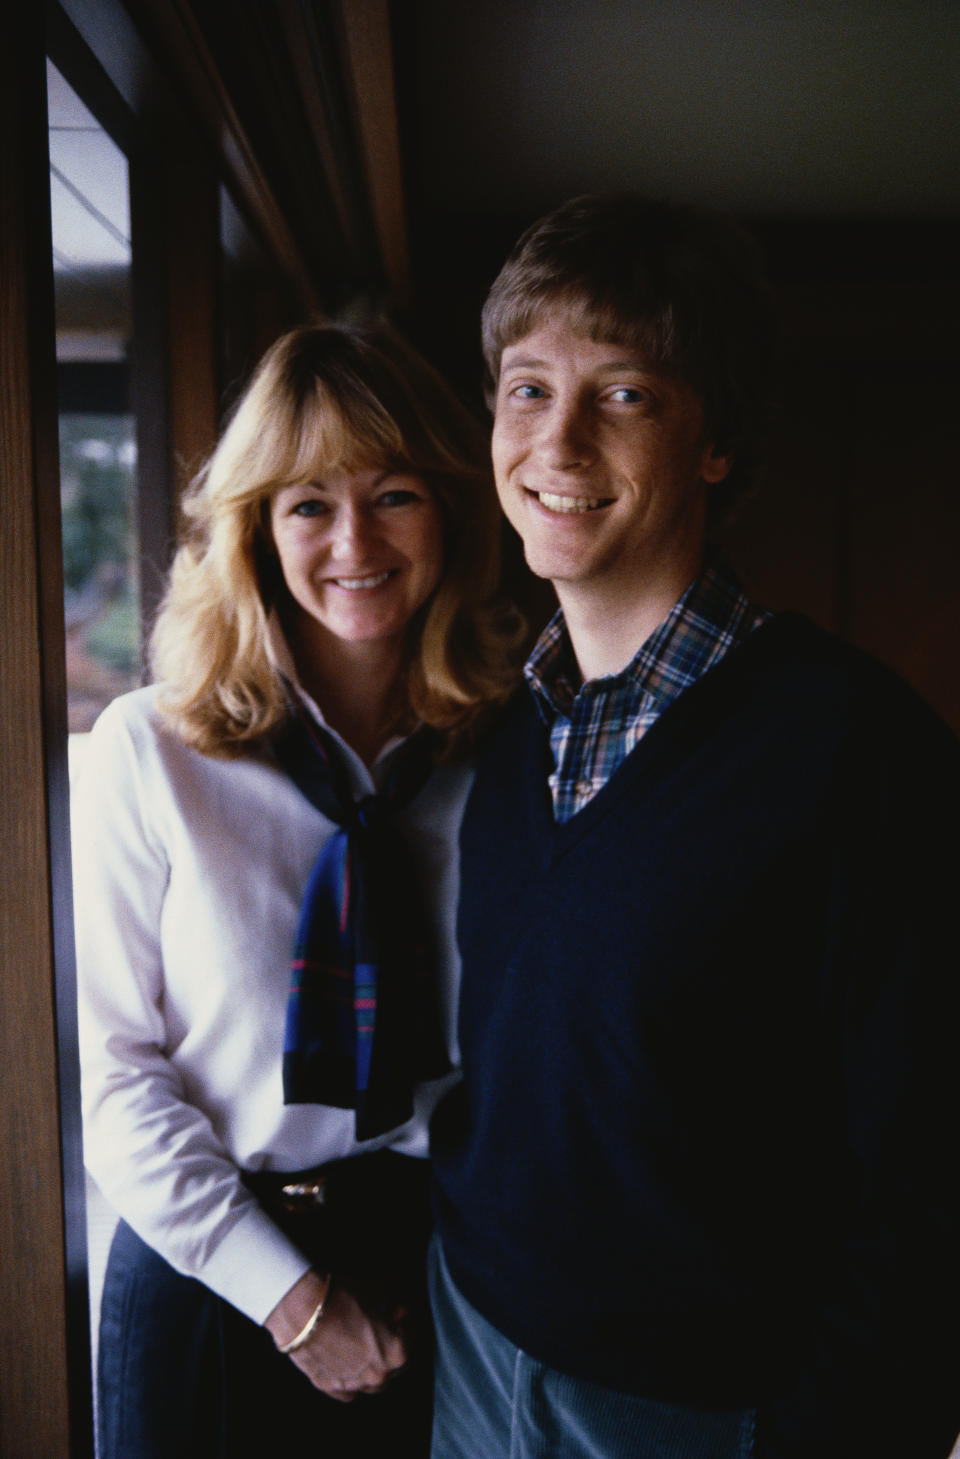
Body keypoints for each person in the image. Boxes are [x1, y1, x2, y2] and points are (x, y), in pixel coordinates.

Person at [428, 194, 960, 1459]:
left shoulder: (862, 754)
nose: (555, 440)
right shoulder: (504, 728)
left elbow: (935, 1177)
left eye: (623, 395)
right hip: (470, 1358)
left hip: (697, 1414)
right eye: (526, 388)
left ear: (714, 440)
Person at [73, 321, 521, 1458]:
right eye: (309, 502)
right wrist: (294, 1302)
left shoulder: (507, 755)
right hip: (221, 1283)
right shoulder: (150, 752)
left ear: (452, 514)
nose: (354, 539)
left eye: (396, 494)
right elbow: (121, 1093)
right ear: (258, 532)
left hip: (443, 1279)